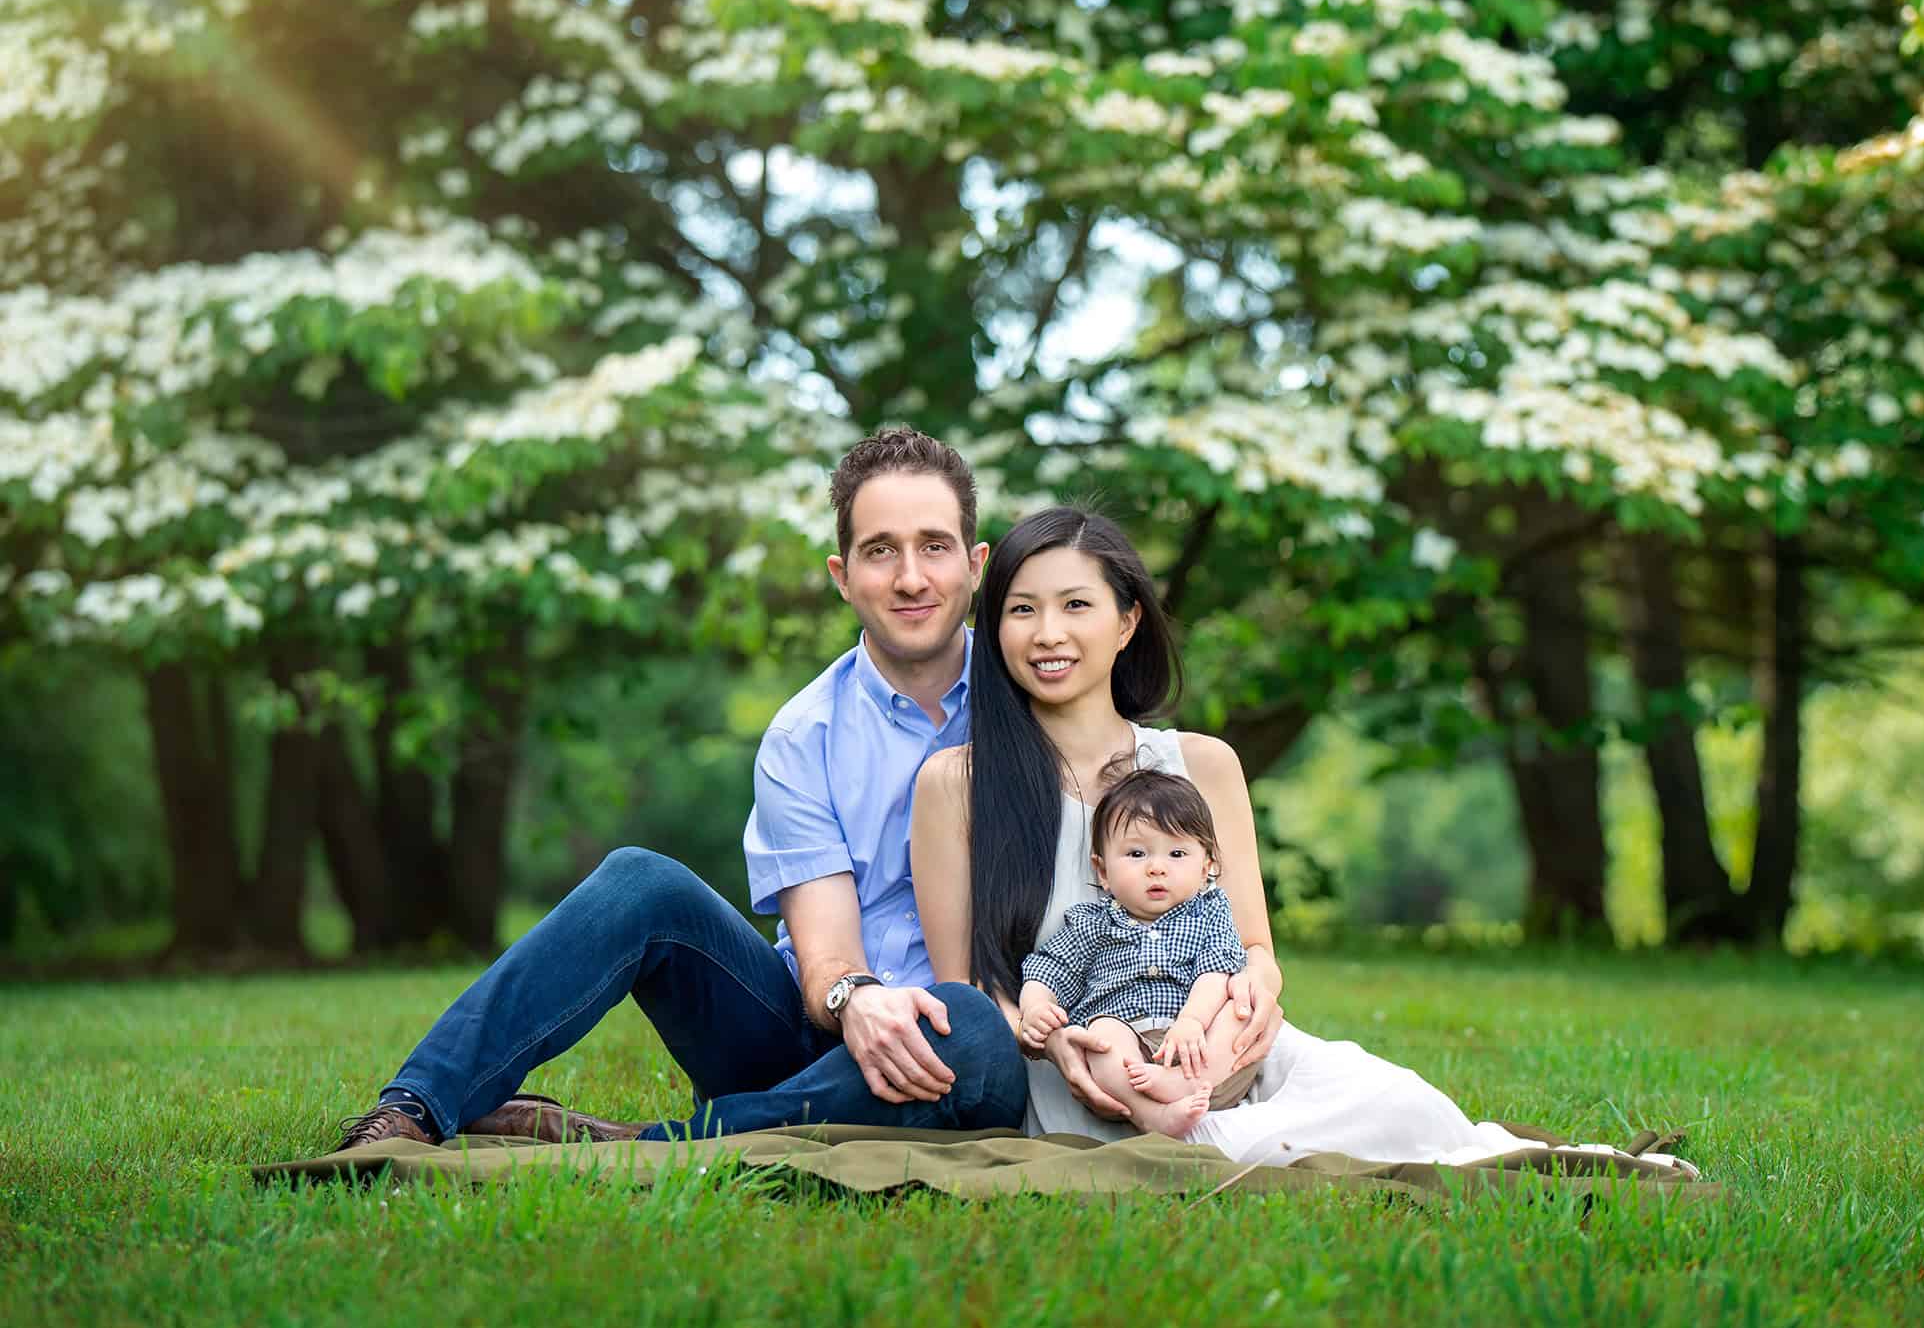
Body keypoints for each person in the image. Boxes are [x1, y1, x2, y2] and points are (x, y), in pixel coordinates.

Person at [912, 504, 1701, 1175]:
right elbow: (970, 992)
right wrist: (1060, 1047)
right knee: (1239, 1146)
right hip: (1087, 1069)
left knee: (1401, 1104)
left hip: (1222, 1047)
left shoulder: (1202, 764)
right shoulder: (957, 783)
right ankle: (1208, 1143)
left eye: (1075, 605)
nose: (1048, 632)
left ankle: (1259, 1132)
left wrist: (1256, 994)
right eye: (1022, 608)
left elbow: (1253, 946)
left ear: (1127, 622)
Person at [330, 428, 1027, 1152]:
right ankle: (414, 1105)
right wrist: (859, 999)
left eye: (934, 546)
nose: (910, 577)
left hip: (961, 1050)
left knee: (970, 1022)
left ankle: (655, 1143)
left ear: (976, 564)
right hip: (810, 1035)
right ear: (842, 574)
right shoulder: (805, 734)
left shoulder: (1030, 709)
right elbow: (826, 958)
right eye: (880, 550)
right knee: (641, 881)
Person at [1016, 765, 1259, 1138]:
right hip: (1128, 1053)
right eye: (1136, 854)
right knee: (1100, 1035)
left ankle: (1180, 1085)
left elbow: (1218, 969)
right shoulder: (1091, 922)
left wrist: (1192, 1020)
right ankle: (1153, 1114)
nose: (1157, 868)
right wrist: (1035, 1008)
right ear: (1103, 872)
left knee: (1239, 1009)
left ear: (1207, 865)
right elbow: (1047, 969)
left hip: (1198, 1047)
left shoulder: (1209, 910)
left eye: (1177, 853)